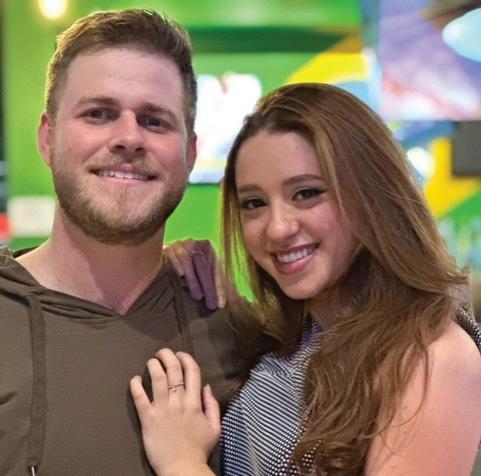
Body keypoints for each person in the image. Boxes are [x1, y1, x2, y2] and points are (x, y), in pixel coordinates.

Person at [131, 83, 481, 476]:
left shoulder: (431, 356)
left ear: (373, 195)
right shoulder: (296, 339)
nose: (277, 228)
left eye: (306, 193)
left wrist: (182, 463)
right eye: (254, 203)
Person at [0, 9, 257, 475]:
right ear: (47, 138)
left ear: (190, 154)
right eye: (98, 114)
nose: (128, 137)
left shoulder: (239, 333)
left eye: (155, 121)